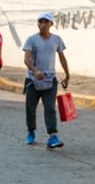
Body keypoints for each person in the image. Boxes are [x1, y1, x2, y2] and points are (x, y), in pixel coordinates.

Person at [23, 12, 70, 148]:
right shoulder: (31, 39)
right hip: (33, 80)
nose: (42, 24)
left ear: (51, 24)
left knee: (50, 108)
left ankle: (52, 136)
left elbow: (62, 57)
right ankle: (31, 131)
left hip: (50, 79)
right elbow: (26, 59)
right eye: (40, 22)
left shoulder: (56, 40)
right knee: (30, 108)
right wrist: (35, 70)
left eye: (45, 22)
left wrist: (67, 75)